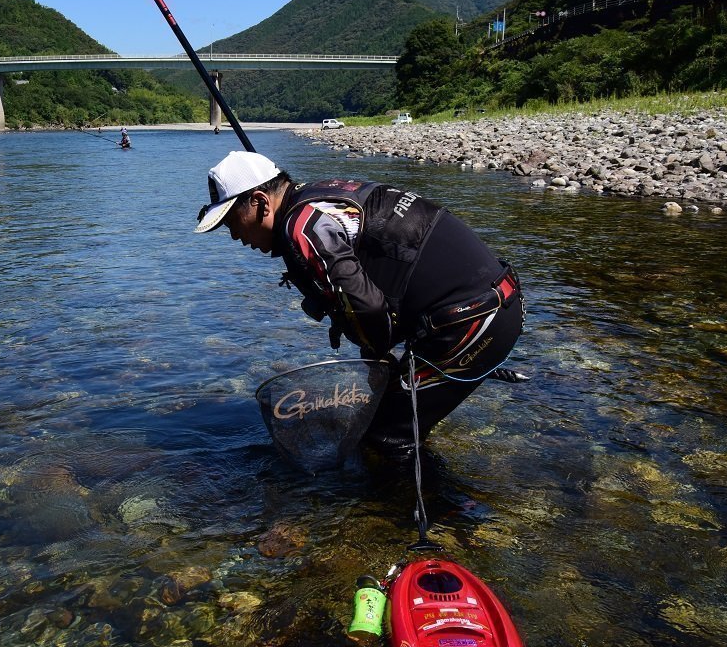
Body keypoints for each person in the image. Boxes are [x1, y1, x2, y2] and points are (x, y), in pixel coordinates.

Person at [195, 151, 523, 460]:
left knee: (386, 439)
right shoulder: (321, 196)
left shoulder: (303, 229)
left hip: (474, 321)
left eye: (232, 222)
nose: (235, 235)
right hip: (492, 301)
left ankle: (446, 515)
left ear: (260, 202)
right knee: (400, 417)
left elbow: (368, 308)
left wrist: (378, 356)